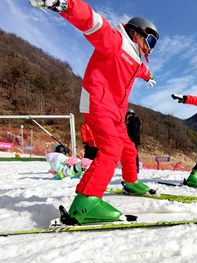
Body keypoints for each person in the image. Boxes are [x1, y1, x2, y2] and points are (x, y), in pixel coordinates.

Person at [30, 0, 159, 224]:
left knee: (128, 149)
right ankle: (86, 202)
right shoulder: (116, 41)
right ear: (136, 33)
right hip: (98, 103)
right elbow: (92, 22)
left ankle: (130, 182)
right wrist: (65, 4)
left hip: (116, 114)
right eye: (150, 40)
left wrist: (148, 77)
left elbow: (142, 69)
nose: (150, 47)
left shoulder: (136, 61)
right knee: (112, 148)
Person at [126, 108, 141, 173]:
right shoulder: (133, 120)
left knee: (133, 155)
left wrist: (130, 137)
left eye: (127, 115)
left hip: (133, 140)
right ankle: (134, 168)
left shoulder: (133, 120)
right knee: (133, 154)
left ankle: (135, 169)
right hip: (134, 140)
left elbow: (134, 129)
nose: (126, 117)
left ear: (130, 114)